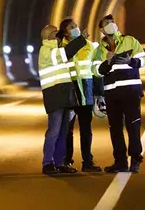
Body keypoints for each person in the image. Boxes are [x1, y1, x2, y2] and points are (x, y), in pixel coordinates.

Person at [91, 14, 145, 174]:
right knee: (115, 129)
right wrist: (107, 62)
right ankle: (120, 162)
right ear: (102, 29)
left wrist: (131, 61)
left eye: (112, 22)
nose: (111, 24)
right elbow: (95, 71)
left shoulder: (130, 40)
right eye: (107, 23)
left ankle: (135, 159)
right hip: (112, 94)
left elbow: (144, 59)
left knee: (133, 126)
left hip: (131, 92)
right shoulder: (99, 50)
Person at [57, 18, 103, 173]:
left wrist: (99, 93)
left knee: (86, 129)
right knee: (67, 130)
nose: (76, 28)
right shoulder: (59, 48)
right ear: (65, 33)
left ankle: (87, 161)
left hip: (86, 93)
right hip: (69, 95)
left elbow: (96, 71)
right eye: (72, 27)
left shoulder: (90, 46)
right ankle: (66, 161)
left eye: (76, 25)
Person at [38, 25, 78, 175]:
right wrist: (80, 40)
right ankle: (47, 162)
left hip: (65, 94)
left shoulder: (57, 48)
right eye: (55, 33)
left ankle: (60, 162)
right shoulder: (46, 51)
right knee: (54, 130)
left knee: (64, 131)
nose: (58, 36)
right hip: (54, 95)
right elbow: (65, 54)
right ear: (48, 36)